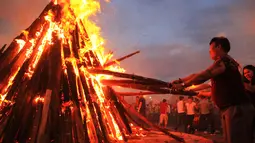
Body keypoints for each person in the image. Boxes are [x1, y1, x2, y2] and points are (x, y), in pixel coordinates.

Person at [171, 37, 254, 143]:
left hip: (237, 109)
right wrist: (181, 80)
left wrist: (183, 84)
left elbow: (205, 75)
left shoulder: (224, 62)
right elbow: (200, 74)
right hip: (231, 109)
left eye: (210, 49)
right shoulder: (224, 62)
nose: (209, 52)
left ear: (218, 47)